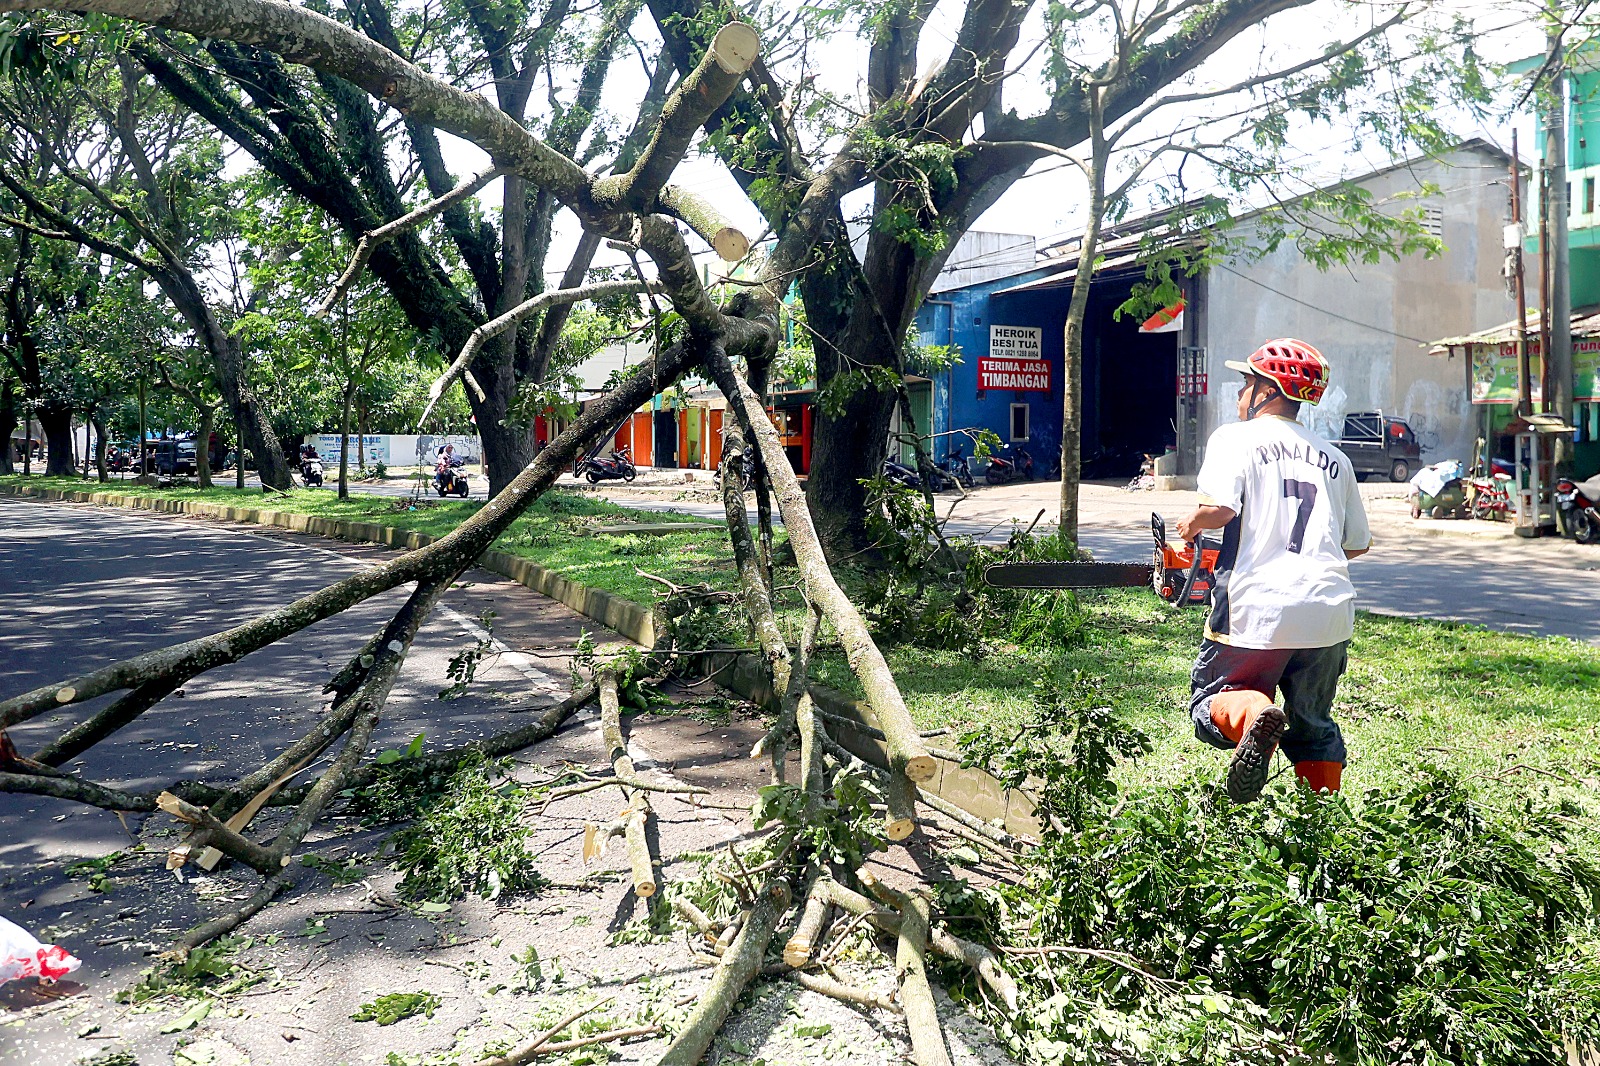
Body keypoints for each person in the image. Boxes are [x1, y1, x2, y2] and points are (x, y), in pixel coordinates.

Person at [1174, 339, 1371, 803]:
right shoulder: (1336, 459)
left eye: (1247, 383)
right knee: (1314, 725)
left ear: (1268, 389)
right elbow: (1356, 544)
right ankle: (1319, 822)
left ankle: (1254, 715)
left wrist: (1190, 523)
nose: (1241, 394)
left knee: (1212, 698)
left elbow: (1220, 510)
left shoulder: (1233, 439)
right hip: (1328, 613)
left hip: (1255, 610)